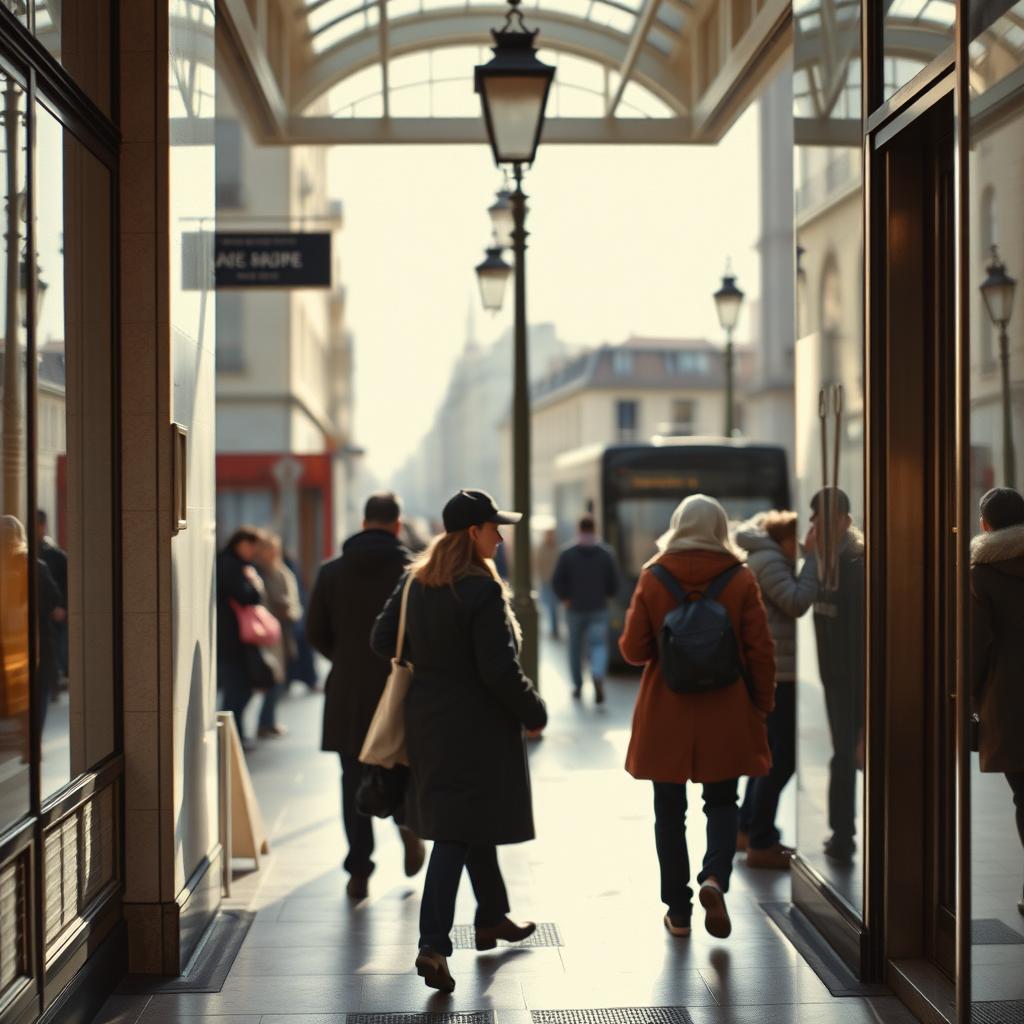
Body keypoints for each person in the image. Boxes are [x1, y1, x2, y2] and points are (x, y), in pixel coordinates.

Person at [370, 488, 547, 994]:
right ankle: (432, 944)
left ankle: (491, 916)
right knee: (453, 833)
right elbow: (499, 669)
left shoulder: (416, 581)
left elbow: (382, 641)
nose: (500, 538)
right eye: (495, 528)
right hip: (477, 730)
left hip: (427, 724)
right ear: (474, 532)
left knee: (467, 820)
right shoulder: (480, 590)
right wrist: (534, 710)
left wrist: (433, 664)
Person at [620, 494, 775, 940]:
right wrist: (761, 704)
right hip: (725, 710)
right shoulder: (740, 578)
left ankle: (678, 912)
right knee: (723, 803)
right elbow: (761, 651)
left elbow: (633, 650)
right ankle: (715, 878)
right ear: (721, 529)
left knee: (669, 814)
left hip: (665, 712)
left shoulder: (653, 576)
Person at [306, 492, 425, 899]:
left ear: (363, 522)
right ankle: (407, 826)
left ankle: (359, 868)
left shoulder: (331, 571)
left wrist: (343, 659)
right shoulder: (412, 572)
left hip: (348, 691)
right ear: (397, 524)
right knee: (401, 768)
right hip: (401, 688)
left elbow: (314, 632)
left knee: (352, 778)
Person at [735, 510, 817, 869]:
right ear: (783, 538)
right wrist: (813, 560)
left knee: (769, 752)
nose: (799, 547)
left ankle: (748, 828)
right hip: (780, 673)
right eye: (795, 542)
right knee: (782, 756)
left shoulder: (765, 557)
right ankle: (761, 838)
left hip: (776, 669)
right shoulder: (769, 561)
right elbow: (796, 602)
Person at [969, 486, 1024, 917]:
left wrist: (970, 698)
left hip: (1010, 703)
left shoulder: (982, 573)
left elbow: (976, 645)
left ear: (985, 524)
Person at [805, 487, 864, 864]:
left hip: (854, 677)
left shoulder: (855, 565)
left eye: (822, 517)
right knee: (842, 754)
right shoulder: (822, 565)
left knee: (845, 755)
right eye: (812, 516)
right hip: (834, 678)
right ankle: (841, 832)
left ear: (844, 521)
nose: (813, 524)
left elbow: (860, 635)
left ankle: (843, 834)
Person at [552, 515, 621, 703]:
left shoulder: (567, 554)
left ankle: (578, 685)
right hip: (598, 607)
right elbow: (614, 583)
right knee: (598, 644)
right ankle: (597, 674)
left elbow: (557, 581)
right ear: (594, 529)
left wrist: (565, 598)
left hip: (574, 608)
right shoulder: (606, 553)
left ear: (579, 529)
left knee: (575, 648)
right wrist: (607, 595)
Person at [217, 525, 268, 749]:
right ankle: (231, 738)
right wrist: (255, 584)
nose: (253, 551)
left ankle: (234, 736)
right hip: (232, 638)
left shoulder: (230, 563)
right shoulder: (232, 566)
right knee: (237, 689)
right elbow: (249, 597)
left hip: (234, 637)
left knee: (240, 688)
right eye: (251, 546)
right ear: (240, 543)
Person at [252, 532, 302, 739]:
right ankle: (263, 722)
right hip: (263, 632)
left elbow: (295, 603)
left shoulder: (283, 573)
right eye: (268, 549)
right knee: (268, 677)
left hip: (282, 632)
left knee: (279, 679)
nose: (272, 553)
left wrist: (288, 610)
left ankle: (268, 721)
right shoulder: (257, 572)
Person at [35, 510, 68, 680]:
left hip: (56, 615)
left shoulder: (57, 556)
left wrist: (62, 608)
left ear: (43, 526)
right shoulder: (27, 555)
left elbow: (68, 584)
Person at [534, 529, 561, 640]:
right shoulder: (541, 549)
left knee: (553, 606)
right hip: (545, 582)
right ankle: (552, 629)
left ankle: (554, 630)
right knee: (548, 606)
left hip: (555, 582)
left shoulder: (557, 548)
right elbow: (537, 564)